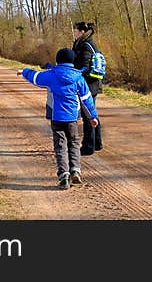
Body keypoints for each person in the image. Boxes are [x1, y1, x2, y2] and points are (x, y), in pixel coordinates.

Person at [18, 47, 99, 190]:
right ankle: (75, 170)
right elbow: (87, 99)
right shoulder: (78, 77)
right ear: (73, 61)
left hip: (56, 118)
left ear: (58, 60)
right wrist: (93, 116)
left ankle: (64, 176)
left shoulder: (52, 75)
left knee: (60, 146)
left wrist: (24, 71)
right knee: (74, 144)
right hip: (72, 118)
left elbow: (35, 77)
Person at [72, 21, 103, 155]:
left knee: (87, 115)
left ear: (81, 31)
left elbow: (84, 67)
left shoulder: (85, 46)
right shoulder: (88, 43)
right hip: (92, 84)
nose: (74, 32)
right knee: (91, 113)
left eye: (75, 30)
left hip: (89, 85)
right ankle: (97, 143)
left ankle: (88, 147)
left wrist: (74, 74)